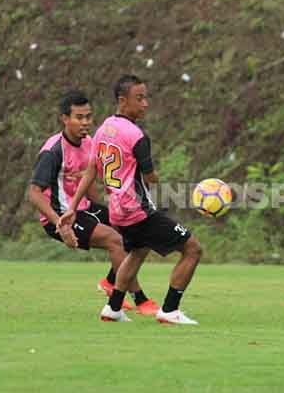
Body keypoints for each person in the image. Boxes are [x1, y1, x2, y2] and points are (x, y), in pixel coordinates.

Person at [59, 75, 203, 324]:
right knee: (192, 249)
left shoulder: (103, 129)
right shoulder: (136, 136)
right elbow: (150, 177)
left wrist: (72, 207)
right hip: (137, 211)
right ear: (122, 101)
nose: (145, 103)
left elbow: (92, 170)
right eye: (140, 98)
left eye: (146, 97)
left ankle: (113, 308)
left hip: (118, 212)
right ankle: (170, 310)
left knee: (137, 252)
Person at [28, 90, 159, 315]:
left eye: (88, 117)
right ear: (65, 119)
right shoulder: (53, 150)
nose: (85, 122)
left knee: (140, 230)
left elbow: (89, 183)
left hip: (85, 210)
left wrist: (107, 211)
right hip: (59, 216)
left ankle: (110, 282)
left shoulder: (91, 143)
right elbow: (34, 192)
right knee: (115, 241)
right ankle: (140, 300)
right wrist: (61, 224)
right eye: (79, 117)